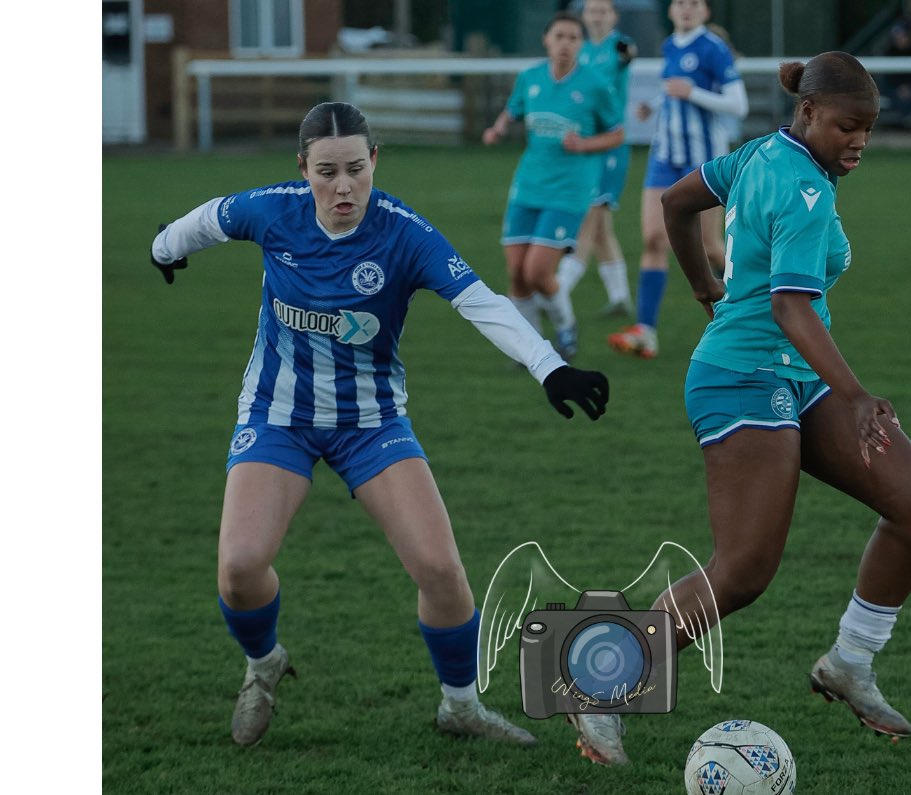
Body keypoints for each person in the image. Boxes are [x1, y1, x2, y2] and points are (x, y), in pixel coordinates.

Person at [148, 101, 611, 748]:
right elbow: (207, 219)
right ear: (303, 169)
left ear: (375, 163)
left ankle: (459, 704)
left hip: (371, 423)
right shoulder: (271, 209)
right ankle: (263, 664)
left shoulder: (404, 234)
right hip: (278, 414)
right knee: (240, 567)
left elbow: (481, 302)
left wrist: (550, 367)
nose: (344, 187)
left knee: (442, 570)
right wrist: (164, 245)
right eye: (327, 172)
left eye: (357, 170)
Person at [575, 52, 911, 765]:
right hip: (742, 376)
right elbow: (788, 303)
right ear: (808, 114)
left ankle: (850, 661)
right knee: (742, 570)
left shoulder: (758, 155)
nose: (859, 141)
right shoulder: (805, 187)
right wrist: (857, 394)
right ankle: (601, 684)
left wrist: (703, 283)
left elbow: (676, 203)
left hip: (797, 376)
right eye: (847, 126)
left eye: (868, 128)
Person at [607, 0, 747, 360]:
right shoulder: (670, 45)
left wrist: (693, 93)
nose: (686, 9)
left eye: (694, 3)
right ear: (670, 12)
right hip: (664, 156)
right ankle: (645, 332)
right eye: (680, 3)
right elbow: (673, 88)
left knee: (710, 246)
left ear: (706, 11)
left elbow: (738, 104)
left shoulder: (713, 48)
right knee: (653, 238)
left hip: (703, 160)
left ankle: (751, 310)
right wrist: (653, 105)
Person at [483, 11, 626, 361]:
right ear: (546, 40)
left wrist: (585, 145)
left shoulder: (593, 84)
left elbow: (618, 134)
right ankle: (529, 347)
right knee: (516, 274)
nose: (566, 44)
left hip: (570, 189)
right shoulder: (530, 77)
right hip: (528, 184)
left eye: (573, 38)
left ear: (580, 44)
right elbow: (513, 109)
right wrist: (498, 128)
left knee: (537, 272)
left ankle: (565, 327)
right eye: (559, 36)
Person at [555, 0, 638, 319]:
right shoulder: (582, 49)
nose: (598, 16)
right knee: (601, 228)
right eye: (592, 11)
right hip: (588, 145)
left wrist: (627, 55)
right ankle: (620, 298)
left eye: (604, 11)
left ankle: (558, 288)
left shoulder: (619, 46)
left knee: (587, 219)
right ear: (584, 17)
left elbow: (627, 55)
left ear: (614, 16)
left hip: (610, 147)